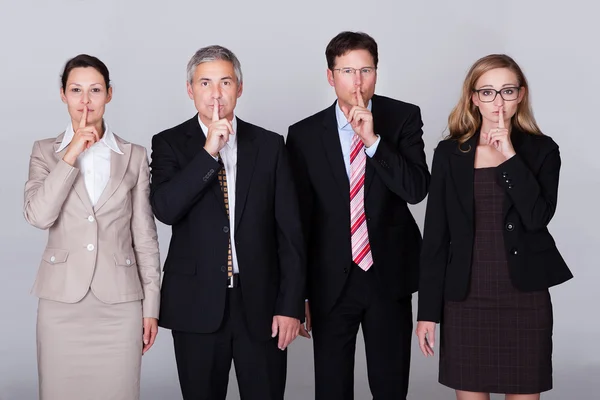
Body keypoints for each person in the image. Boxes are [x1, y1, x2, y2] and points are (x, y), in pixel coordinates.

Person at [149, 45, 305, 400]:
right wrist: (208, 153)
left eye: (225, 82)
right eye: (205, 83)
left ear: (240, 87)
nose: (215, 93)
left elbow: (290, 233)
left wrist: (291, 305)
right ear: (190, 90)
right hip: (196, 306)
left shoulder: (269, 145)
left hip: (262, 306)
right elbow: (165, 209)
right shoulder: (169, 143)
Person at [416, 54, 574, 400]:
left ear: (521, 95)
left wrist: (510, 157)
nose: (497, 101)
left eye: (506, 91)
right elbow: (435, 240)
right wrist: (426, 313)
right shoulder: (448, 153)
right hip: (466, 297)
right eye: (487, 92)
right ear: (473, 98)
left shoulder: (542, 150)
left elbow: (537, 217)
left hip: (524, 295)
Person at [286, 31, 430, 400]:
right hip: (330, 282)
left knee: (390, 384)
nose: (357, 81)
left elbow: (416, 189)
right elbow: (298, 219)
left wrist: (373, 142)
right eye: (347, 71)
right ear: (330, 75)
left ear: (376, 74)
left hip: (388, 276)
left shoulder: (402, 118)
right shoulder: (302, 135)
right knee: (332, 387)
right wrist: (299, 292)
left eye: (365, 70)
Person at [23, 54, 161, 400]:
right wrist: (70, 154)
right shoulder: (44, 151)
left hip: (120, 305)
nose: (85, 101)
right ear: (63, 95)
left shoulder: (134, 154)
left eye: (95, 90)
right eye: (76, 90)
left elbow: (144, 236)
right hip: (61, 303)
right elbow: (39, 216)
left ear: (109, 94)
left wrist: (152, 307)